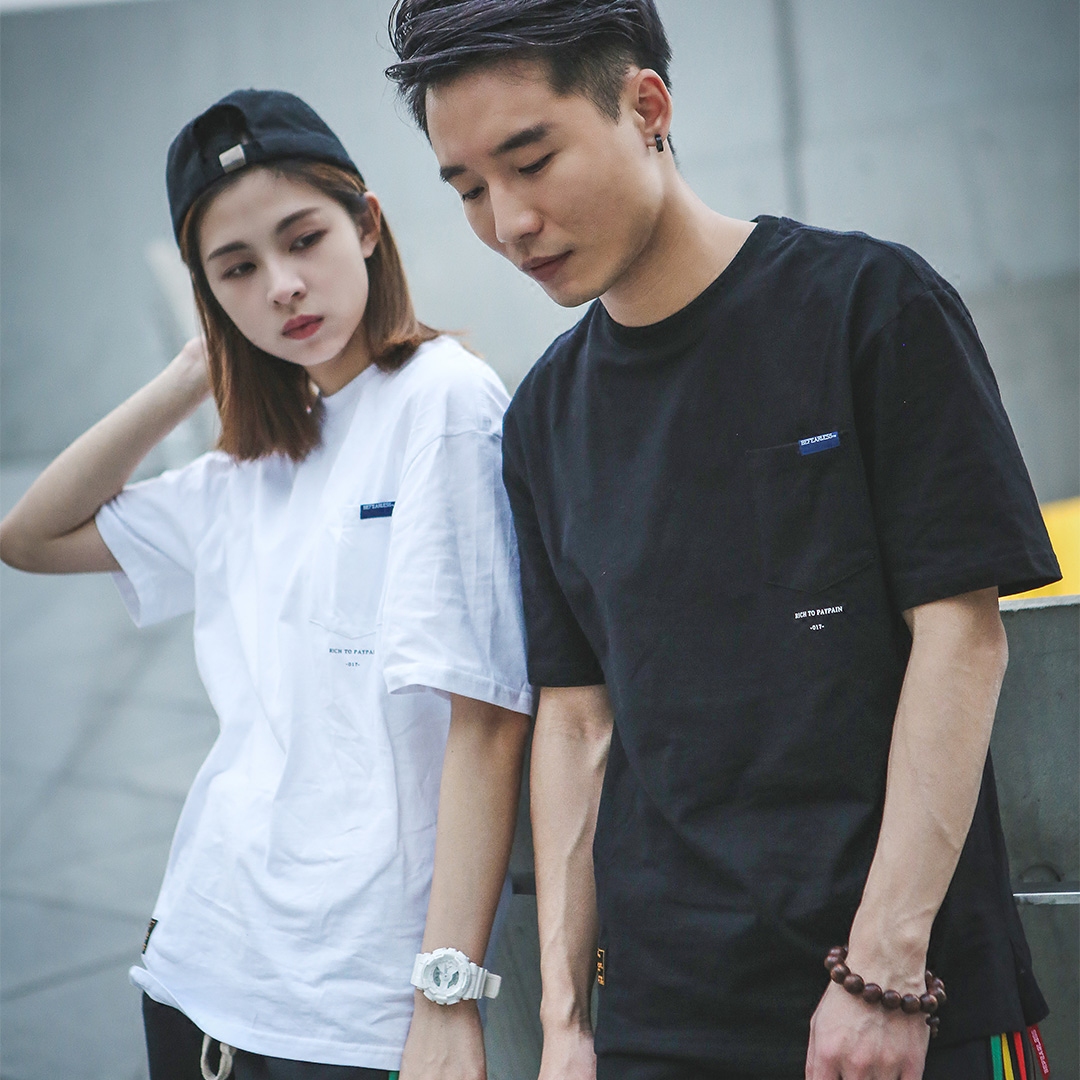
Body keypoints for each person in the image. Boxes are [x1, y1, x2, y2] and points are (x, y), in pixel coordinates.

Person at [384, 3, 1063, 1079]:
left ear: (646, 106)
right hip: (662, 1023)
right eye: (468, 189)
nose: (509, 221)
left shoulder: (869, 307)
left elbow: (963, 639)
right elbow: (577, 721)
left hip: (908, 1006)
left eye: (532, 160)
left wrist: (883, 970)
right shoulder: (546, 418)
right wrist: (564, 1023)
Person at [0, 88, 533, 1080]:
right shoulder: (250, 466)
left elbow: (489, 716)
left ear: (366, 225)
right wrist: (190, 375)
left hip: (353, 999)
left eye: (303, 239)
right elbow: (30, 536)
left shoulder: (444, 402)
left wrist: (447, 992)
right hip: (199, 959)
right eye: (237, 269)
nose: (282, 287)